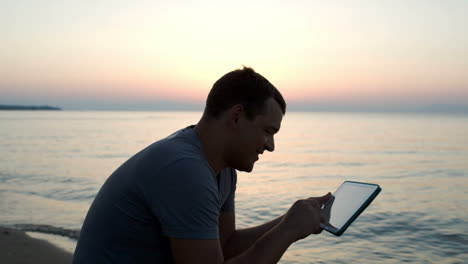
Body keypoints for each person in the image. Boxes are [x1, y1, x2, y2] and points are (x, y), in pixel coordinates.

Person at [73, 67, 331, 264]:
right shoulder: (184, 169)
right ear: (237, 116)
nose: (271, 145)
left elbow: (225, 244)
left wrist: (291, 219)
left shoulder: (222, 167)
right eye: (267, 131)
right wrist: (287, 231)